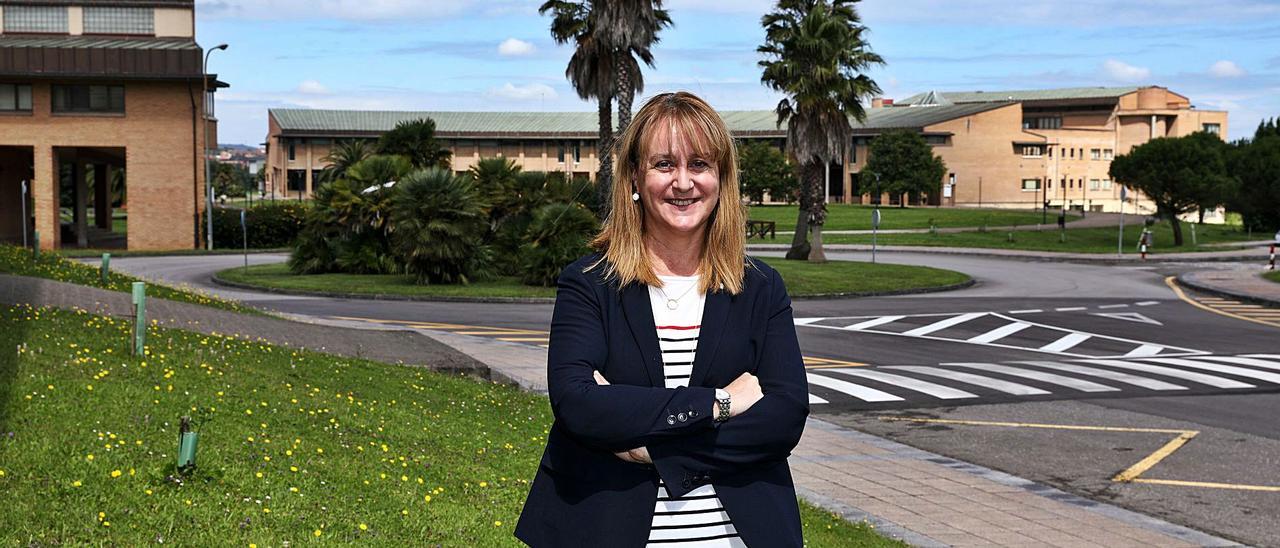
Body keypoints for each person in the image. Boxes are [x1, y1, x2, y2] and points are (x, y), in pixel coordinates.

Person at [515, 92, 810, 547]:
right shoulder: (591, 283)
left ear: (721, 178)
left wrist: (654, 448)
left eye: (699, 165)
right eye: (664, 164)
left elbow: (784, 417)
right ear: (634, 175)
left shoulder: (760, 287)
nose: (683, 182)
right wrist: (718, 404)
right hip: (607, 529)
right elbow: (578, 404)